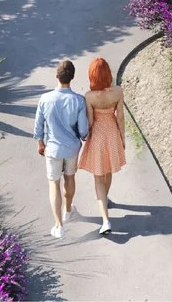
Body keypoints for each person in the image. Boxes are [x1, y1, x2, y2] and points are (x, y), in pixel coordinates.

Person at [33, 59, 91, 239]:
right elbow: (83, 131)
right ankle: (68, 211)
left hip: (52, 149)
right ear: (72, 77)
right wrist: (84, 136)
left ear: (56, 76)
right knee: (70, 178)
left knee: (54, 183)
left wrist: (40, 142)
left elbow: (38, 125)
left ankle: (58, 225)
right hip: (72, 149)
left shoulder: (45, 99)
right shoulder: (79, 100)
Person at [78, 56, 127, 234]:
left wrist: (86, 136)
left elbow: (90, 121)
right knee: (108, 170)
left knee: (98, 177)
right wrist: (122, 138)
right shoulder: (118, 92)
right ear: (108, 74)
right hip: (112, 133)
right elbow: (120, 117)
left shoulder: (89, 96)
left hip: (98, 136)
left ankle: (105, 220)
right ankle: (104, 199)